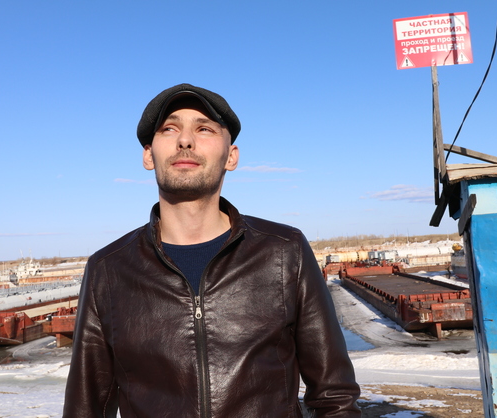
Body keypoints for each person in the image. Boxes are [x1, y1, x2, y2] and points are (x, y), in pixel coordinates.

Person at [63, 83, 361, 417]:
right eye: (169, 128)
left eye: (204, 129)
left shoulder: (284, 253)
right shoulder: (108, 270)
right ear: (148, 155)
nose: (185, 140)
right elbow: (84, 408)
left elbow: (335, 397)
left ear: (231, 156)